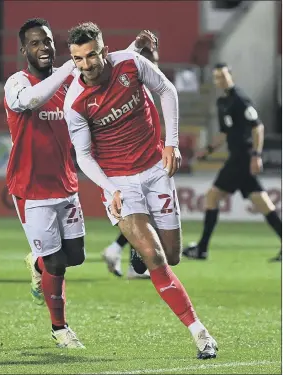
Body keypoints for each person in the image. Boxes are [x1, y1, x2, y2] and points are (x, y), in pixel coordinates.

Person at [64, 22, 218, 359]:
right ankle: (201, 333)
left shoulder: (130, 65)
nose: (87, 65)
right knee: (157, 258)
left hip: (155, 170)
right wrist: (108, 188)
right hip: (119, 183)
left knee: (173, 254)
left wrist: (172, 144)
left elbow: (167, 91)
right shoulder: (75, 102)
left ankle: (139, 251)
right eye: (78, 59)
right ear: (72, 59)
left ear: (104, 51)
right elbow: (85, 156)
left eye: (92, 56)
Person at [3, 18, 87, 349]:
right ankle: (60, 329)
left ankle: (35, 262)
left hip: (65, 184)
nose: (43, 48)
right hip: (31, 188)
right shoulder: (16, 83)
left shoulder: (71, 83)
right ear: (24, 49)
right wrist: (67, 70)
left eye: (48, 41)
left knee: (75, 256)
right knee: (57, 264)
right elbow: (31, 101)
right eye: (35, 43)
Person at [182, 63, 282, 262]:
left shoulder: (240, 100)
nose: (221, 80)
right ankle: (202, 248)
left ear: (231, 76)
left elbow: (258, 128)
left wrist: (256, 155)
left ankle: (202, 248)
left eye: (224, 76)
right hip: (237, 157)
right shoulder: (222, 102)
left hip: (242, 157)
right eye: (217, 77)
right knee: (261, 201)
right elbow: (224, 133)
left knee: (212, 196)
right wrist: (208, 150)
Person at [102, 40, 160, 280]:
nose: (156, 64)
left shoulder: (144, 87)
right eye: (152, 60)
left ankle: (122, 255)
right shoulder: (132, 87)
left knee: (146, 213)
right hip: (133, 163)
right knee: (145, 213)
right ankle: (129, 260)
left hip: (144, 158)